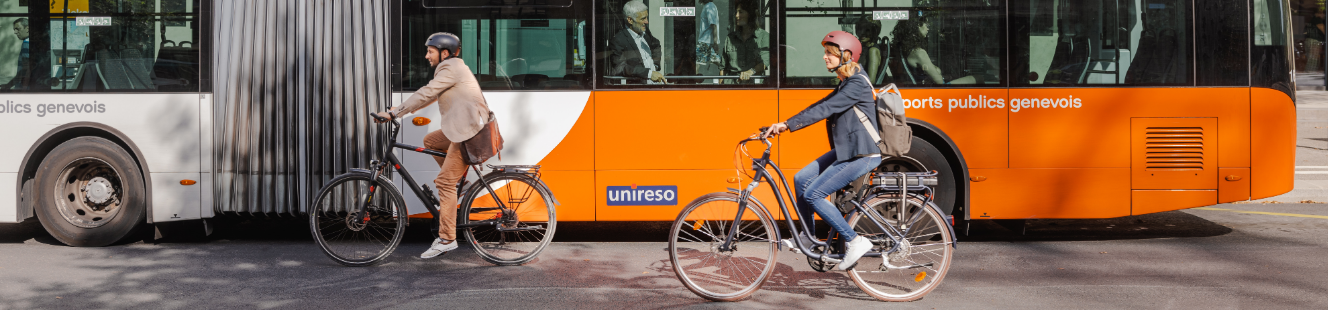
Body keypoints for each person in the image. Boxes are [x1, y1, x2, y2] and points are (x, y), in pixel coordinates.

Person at [762, 31, 880, 270]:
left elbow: (826, 109)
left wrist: (786, 126)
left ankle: (855, 241)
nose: (825, 57)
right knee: (801, 178)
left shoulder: (856, 83)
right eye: (825, 53)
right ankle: (807, 235)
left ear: (846, 55)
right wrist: (783, 123)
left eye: (830, 53)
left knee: (814, 194)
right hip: (847, 150)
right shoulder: (848, 81)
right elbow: (819, 105)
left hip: (862, 153)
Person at [374, 32, 492, 259]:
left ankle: (447, 239)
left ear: (444, 53)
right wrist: (402, 111)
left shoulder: (450, 68)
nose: (426, 56)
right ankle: (463, 182)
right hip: (463, 129)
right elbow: (431, 95)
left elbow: (427, 91)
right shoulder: (452, 69)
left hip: (469, 133)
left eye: (430, 51)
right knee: (431, 141)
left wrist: (393, 113)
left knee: (444, 183)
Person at [889, 16, 974, 85]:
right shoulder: (919, 53)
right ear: (917, 26)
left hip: (919, 87)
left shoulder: (903, 49)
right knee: (977, 78)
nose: (928, 29)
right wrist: (936, 70)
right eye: (926, 25)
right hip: (938, 91)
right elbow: (939, 81)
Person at [608, 0, 665, 84]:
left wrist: (655, 65)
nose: (647, 21)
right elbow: (619, 67)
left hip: (654, 86)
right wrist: (648, 73)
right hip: (637, 90)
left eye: (646, 17)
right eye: (643, 18)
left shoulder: (645, 33)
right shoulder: (619, 40)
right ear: (630, 20)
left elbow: (656, 45)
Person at [721, 0, 766, 83]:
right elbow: (723, 68)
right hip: (731, 86)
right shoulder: (730, 38)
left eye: (740, 12)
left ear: (750, 14)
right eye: (736, 12)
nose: (737, 16)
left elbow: (765, 62)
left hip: (753, 86)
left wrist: (750, 71)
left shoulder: (763, 36)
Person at [2, 18, 31, 90]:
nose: (15, 32)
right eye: (14, 29)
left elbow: (25, 70)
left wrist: (9, 85)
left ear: (27, 29)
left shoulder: (26, 44)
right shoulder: (31, 42)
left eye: (18, 29)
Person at [695, 0, 720, 77]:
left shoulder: (709, 6)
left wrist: (715, 43)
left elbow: (713, 25)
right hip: (707, 40)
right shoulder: (708, 6)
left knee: (696, 63)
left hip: (705, 40)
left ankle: (692, 83)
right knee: (719, 62)